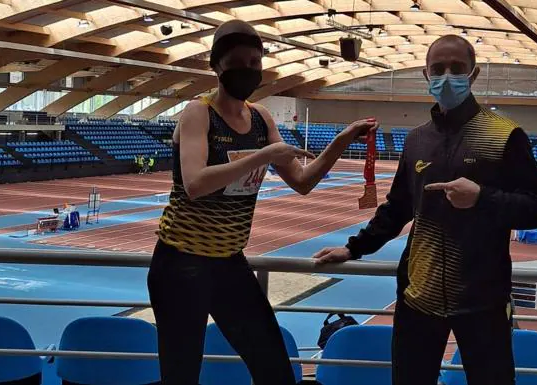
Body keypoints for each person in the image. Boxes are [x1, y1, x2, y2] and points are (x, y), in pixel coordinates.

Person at [148, 19, 379, 385]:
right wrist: (263, 154)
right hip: (181, 264)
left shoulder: (260, 117)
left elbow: (302, 181)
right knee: (181, 374)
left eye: (256, 63)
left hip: (228, 263)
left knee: (274, 367)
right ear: (217, 66)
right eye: (239, 62)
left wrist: (343, 138)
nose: (249, 70)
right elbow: (194, 183)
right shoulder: (198, 112)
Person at [312, 34, 537, 385]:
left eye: (457, 68)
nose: (446, 76)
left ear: (474, 73)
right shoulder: (416, 139)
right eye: (437, 69)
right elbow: (398, 207)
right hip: (418, 294)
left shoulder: (504, 135)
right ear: (426, 75)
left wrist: (482, 197)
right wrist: (354, 247)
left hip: (482, 297)